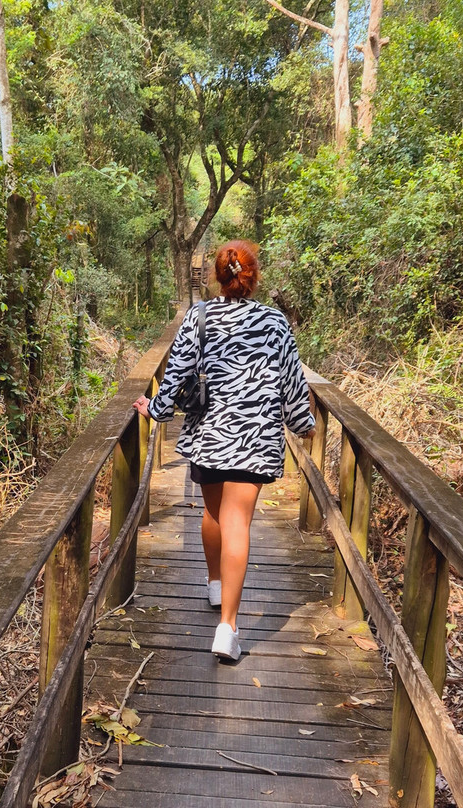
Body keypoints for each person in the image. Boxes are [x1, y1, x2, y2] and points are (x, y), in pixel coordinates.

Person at [133, 240, 315, 661]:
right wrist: (303, 425)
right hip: (255, 440)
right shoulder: (274, 322)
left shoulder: (199, 317)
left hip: (209, 437)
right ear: (253, 277)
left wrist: (154, 409)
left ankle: (215, 583)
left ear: (218, 276)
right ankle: (227, 627)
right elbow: (292, 382)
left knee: (214, 513)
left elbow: (176, 372)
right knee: (238, 523)